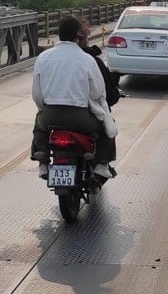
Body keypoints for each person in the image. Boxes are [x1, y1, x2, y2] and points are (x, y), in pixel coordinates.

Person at [31, 16, 117, 180]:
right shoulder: (87, 59)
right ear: (78, 35)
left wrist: (44, 109)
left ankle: (42, 162)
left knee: (38, 125)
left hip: (50, 115)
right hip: (80, 117)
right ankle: (101, 164)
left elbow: (37, 94)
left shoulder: (43, 58)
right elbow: (97, 92)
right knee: (105, 127)